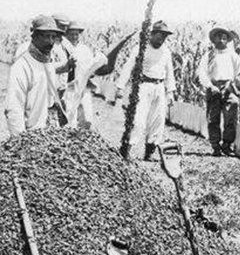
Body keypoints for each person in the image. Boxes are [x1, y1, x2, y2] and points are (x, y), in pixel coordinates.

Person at [115, 20, 176, 160]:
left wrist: (170, 91)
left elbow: (169, 72)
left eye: (165, 36)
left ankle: (149, 151)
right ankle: (128, 148)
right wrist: (120, 86)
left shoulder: (166, 51)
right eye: (159, 35)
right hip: (143, 85)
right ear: (152, 34)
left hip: (159, 86)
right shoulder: (140, 48)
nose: (162, 38)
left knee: (158, 120)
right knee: (138, 119)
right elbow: (128, 66)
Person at [5, 15, 65, 135]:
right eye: (46, 37)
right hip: (31, 135)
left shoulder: (48, 62)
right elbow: (13, 107)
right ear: (35, 36)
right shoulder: (22, 66)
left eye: (53, 37)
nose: (51, 42)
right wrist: (20, 142)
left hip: (50, 132)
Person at [198, 26, 240, 156]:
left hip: (230, 86)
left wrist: (231, 84)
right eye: (219, 36)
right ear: (214, 39)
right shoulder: (209, 55)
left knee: (231, 115)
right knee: (213, 118)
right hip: (214, 87)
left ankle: (227, 145)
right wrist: (210, 86)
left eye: (224, 37)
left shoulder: (233, 55)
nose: (222, 39)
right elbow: (202, 73)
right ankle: (215, 146)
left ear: (227, 39)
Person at [61, 20, 114, 127]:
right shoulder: (62, 49)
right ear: (66, 34)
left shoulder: (84, 49)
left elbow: (90, 67)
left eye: (76, 34)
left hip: (84, 86)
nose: (74, 37)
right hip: (69, 88)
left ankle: (83, 139)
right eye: (71, 34)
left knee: (86, 116)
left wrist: (93, 71)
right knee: (70, 117)